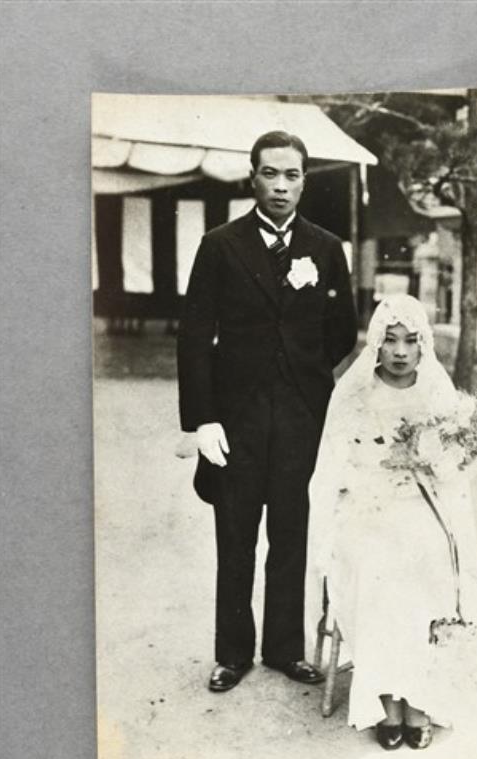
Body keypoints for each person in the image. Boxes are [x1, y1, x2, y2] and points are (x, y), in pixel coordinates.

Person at [177, 130, 358, 693]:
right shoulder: (220, 245)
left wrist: (303, 376)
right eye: (271, 173)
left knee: (291, 530)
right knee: (235, 534)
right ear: (252, 177)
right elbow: (194, 335)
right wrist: (203, 418)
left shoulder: (326, 247)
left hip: (302, 415)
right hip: (237, 417)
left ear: (305, 181)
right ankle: (232, 653)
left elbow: (343, 331)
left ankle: (284, 649)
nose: (281, 186)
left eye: (292, 175)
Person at [306, 295, 477, 750]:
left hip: (423, 507)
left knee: (429, 561)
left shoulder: (436, 392)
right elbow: (334, 468)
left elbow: (452, 469)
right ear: (375, 344)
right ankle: (388, 700)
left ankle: (421, 699)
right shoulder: (355, 394)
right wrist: (366, 484)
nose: (400, 352)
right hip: (367, 509)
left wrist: (449, 457)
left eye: (410, 341)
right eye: (390, 340)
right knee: (378, 565)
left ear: (424, 345)